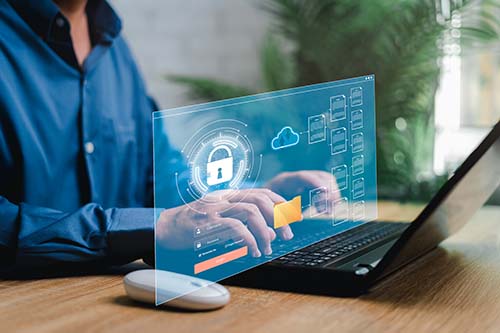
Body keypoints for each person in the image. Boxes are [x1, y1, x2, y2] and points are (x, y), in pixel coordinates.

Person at [0, 0, 335, 271]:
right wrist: (153, 229)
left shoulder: (113, 43)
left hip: (111, 300)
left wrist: (249, 198)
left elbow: (160, 173)